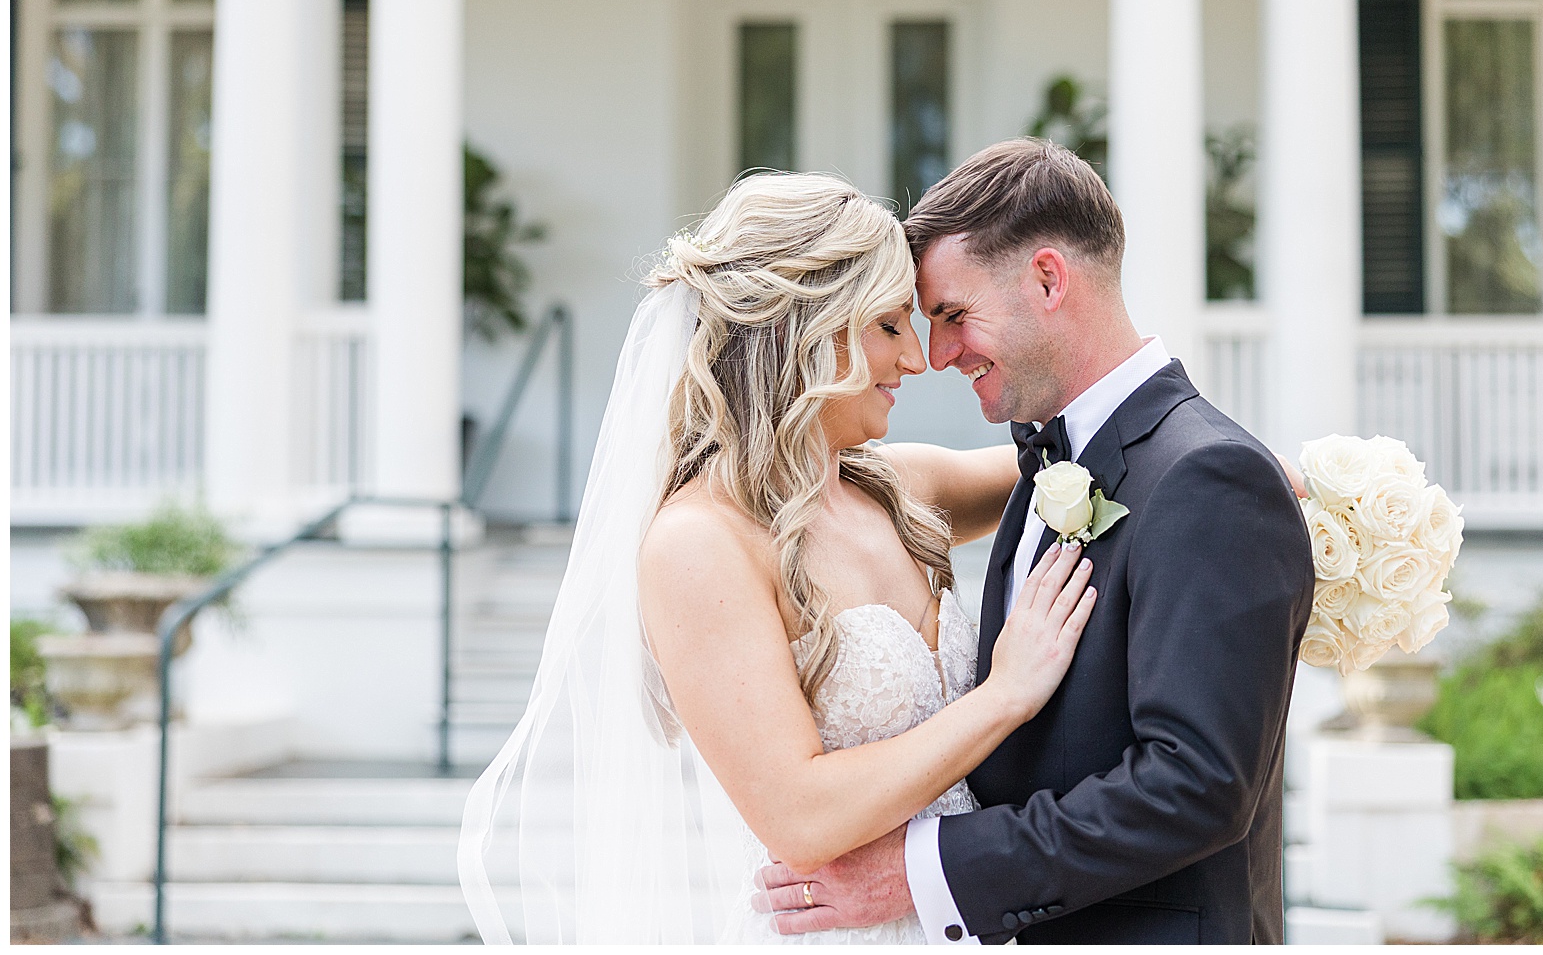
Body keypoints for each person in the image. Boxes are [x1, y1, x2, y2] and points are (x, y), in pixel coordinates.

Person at [458, 171, 1096, 943]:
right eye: (890, 326)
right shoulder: (699, 543)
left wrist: (1273, 479)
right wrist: (1002, 695)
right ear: (809, 330)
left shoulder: (897, 486)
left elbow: (1094, 466)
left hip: (965, 917)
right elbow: (800, 812)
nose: (919, 359)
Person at [752, 138, 1315, 943]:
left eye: (952, 315)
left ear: (1048, 278)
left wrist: (922, 871)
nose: (935, 355)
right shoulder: (1059, 460)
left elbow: (1196, 784)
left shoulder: (1208, 479)